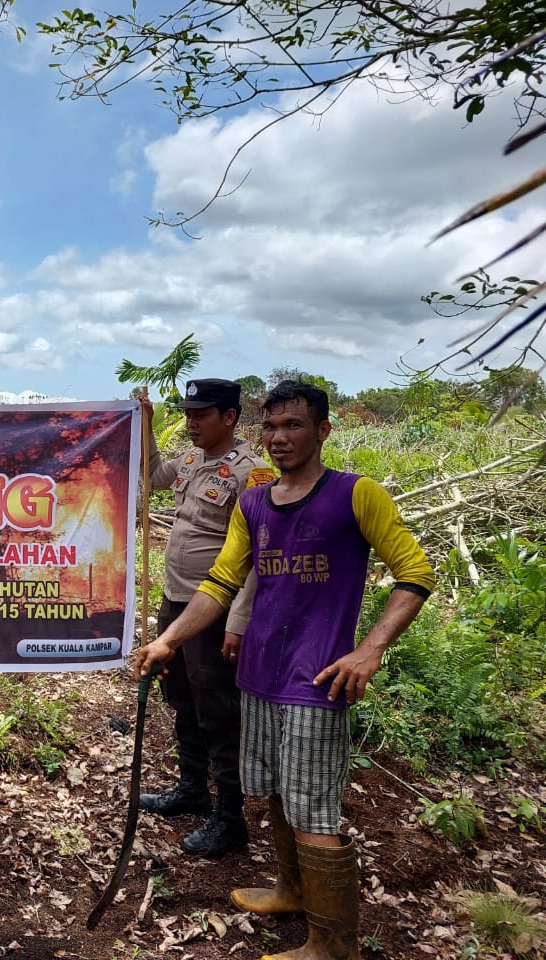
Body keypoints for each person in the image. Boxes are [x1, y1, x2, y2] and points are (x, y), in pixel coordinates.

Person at [133, 380, 434, 960]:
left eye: (294, 426)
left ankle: (331, 944)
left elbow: (415, 574)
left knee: (313, 807)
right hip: (259, 675)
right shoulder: (255, 502)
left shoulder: (356, 494)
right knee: (271, 790)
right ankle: (292, 889)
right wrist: (168, 638)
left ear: (323, 431)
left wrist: (369, 650)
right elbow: (221, 582)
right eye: (271, 427)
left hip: (316, 680)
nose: (280, 438)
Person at [137, 378, 270, 858]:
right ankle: (191, 787)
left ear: (229, 417)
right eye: (188, 414)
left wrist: (238, 617)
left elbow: (258, 555)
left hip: (212, 610)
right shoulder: (191, 461)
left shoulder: (251, 474)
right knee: (182, 696)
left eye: (201, 415)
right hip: (176, 602)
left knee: (217, 708)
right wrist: (146, 423)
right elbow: (150, 475)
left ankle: (229, 818)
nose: (191, 422)